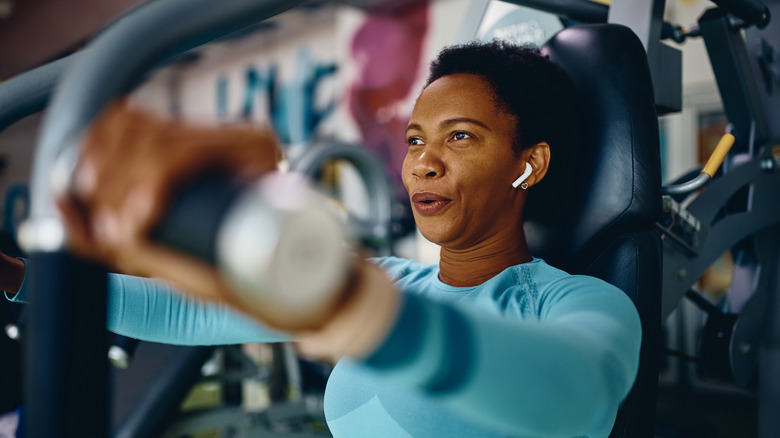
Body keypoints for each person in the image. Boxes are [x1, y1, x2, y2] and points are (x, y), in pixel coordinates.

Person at [3, 40, 641, 437]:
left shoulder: (580, 306)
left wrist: (349, 307)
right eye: (416, 139)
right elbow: (178, 309)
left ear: (528, 164)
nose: (423, 161)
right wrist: (13, 276)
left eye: (461, 136)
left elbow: (575, 396)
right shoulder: (396, 278)